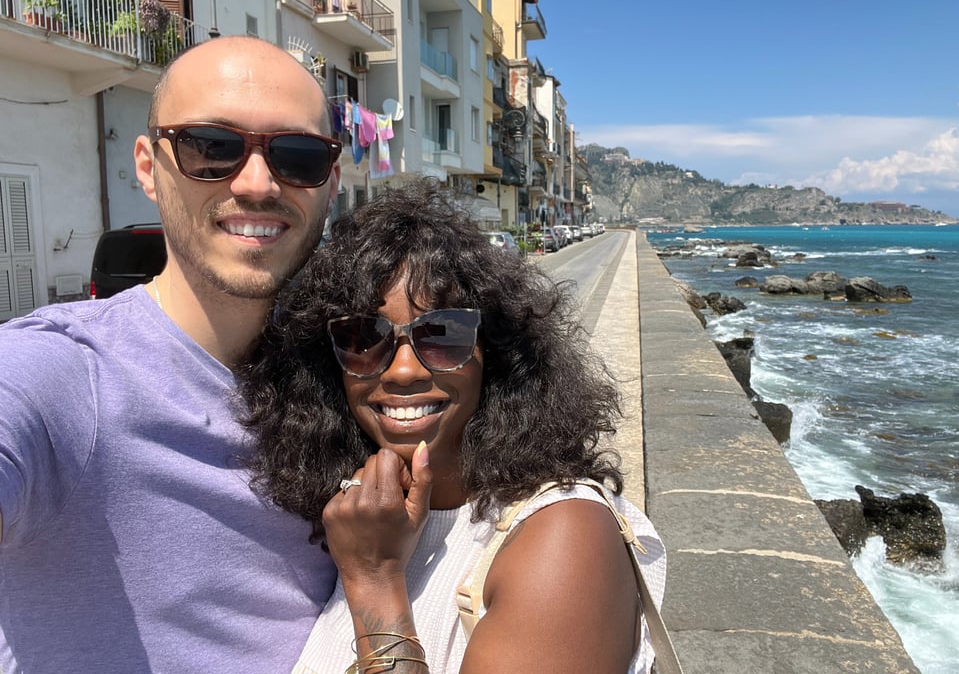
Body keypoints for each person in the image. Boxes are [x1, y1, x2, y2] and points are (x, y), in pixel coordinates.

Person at [0, 36, 341, 673]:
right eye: (211, 146)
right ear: (148, 167)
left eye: (298, 155)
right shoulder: (67, 374)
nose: (258, 183)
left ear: (332, 182)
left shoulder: (351, 377)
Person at [240, 179, 667, 673]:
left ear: (497, 354)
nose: (403, 371)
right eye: (362, 338)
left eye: (442, 335)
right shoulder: (361, 519)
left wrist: (375, 582)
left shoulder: (565, 536)